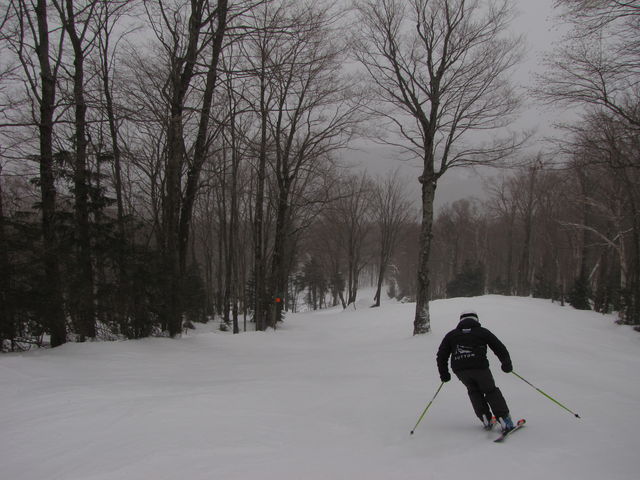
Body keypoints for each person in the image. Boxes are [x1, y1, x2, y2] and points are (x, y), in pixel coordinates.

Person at [436, 310, 515, 432]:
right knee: (490, 391)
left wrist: (444, 373)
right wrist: (506, 364)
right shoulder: (482, 332)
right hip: (480, 367)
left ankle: (484, 417)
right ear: (476, 320)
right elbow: (499, 347)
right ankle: (504, 419)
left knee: (474, 391)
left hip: (460, 370)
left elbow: (441, 355)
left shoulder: (451, 335)